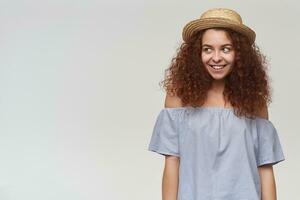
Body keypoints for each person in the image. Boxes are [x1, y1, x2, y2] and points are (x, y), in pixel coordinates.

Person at [147, 8, 285, 200]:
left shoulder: (254, 102)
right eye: (208, 49)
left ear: (239, 54)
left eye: (226, 49)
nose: (216, 57)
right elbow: (172, 164)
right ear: (197, 53)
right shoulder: (178, 99)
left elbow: (265, 169)